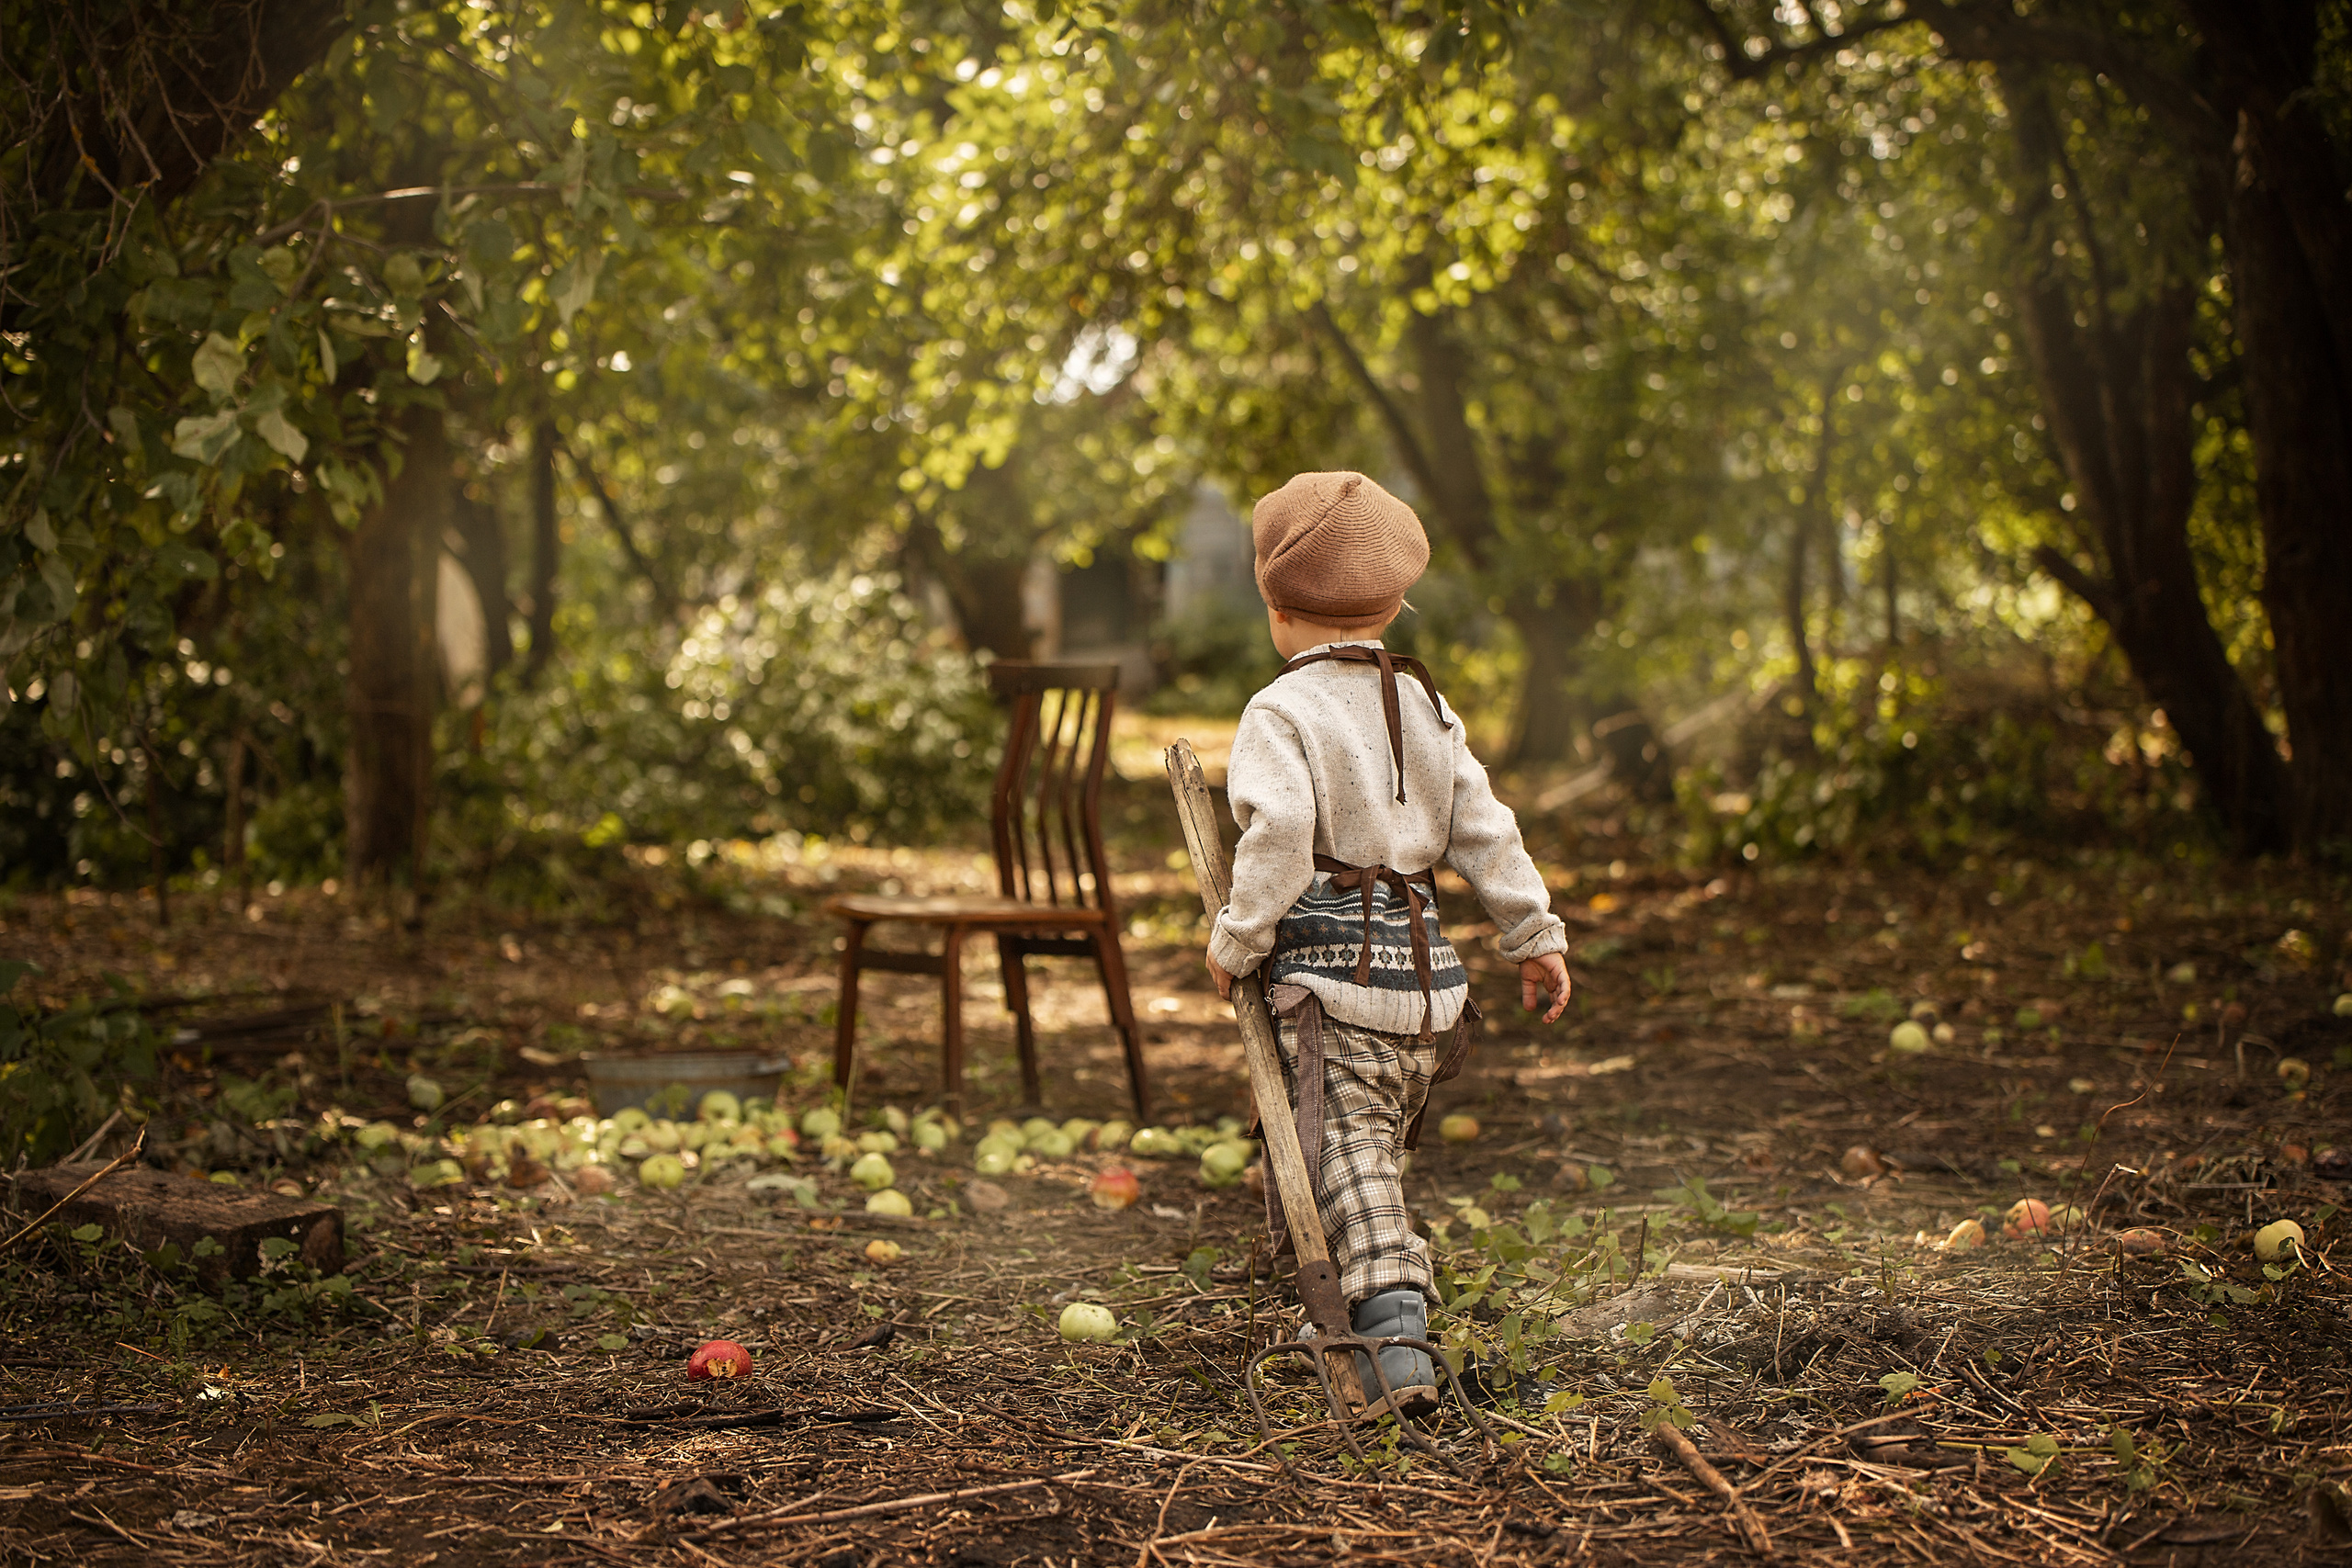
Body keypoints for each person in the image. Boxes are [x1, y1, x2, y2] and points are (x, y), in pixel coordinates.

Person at [1205, 469, 1572, 1419]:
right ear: (1396, 601)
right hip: (1427, 995)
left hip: (1333, 989)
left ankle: (1398, 1345)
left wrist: (1239, 937)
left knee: (1350, 1162)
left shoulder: (1280, 713)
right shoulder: (1423, 703)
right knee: (1372, 1159)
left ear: (1274, 609)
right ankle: (1370, 1317)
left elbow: (1278, 840)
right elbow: (1484, 826)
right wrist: (1532, 933)